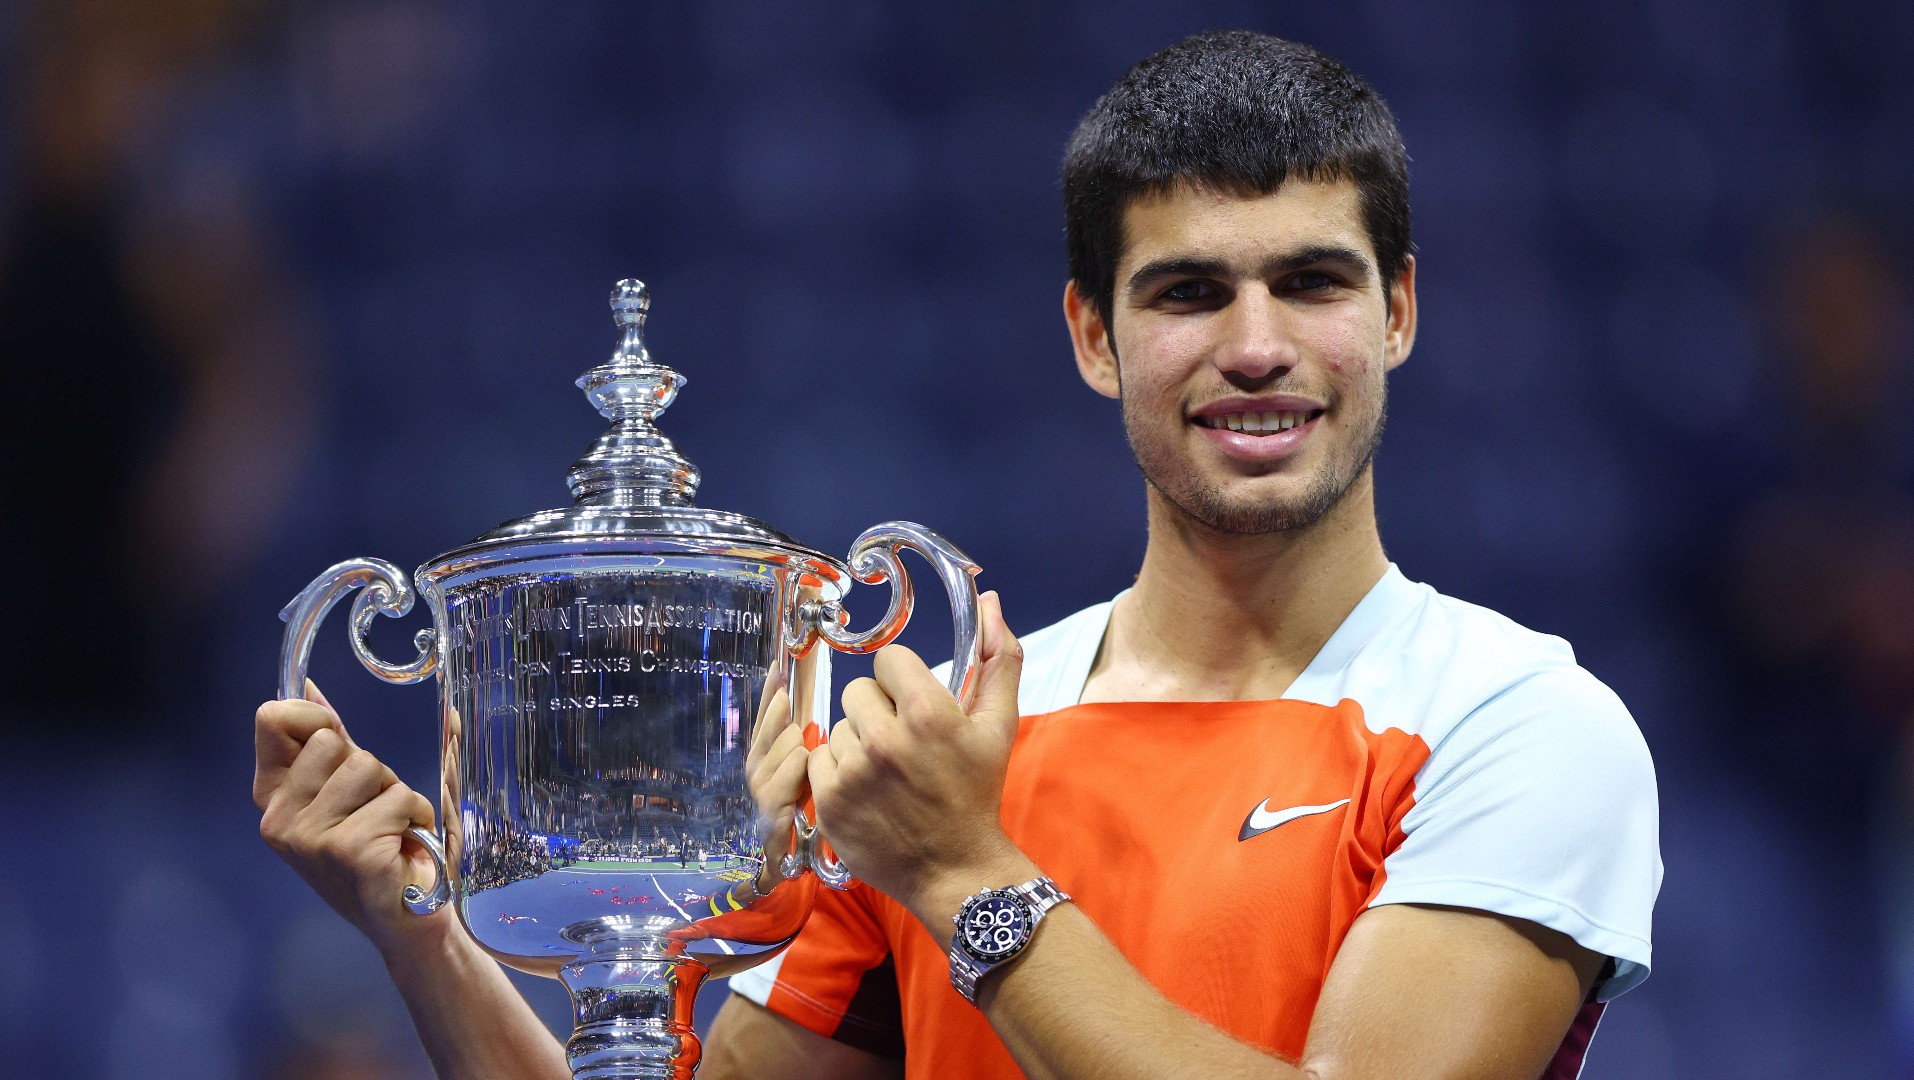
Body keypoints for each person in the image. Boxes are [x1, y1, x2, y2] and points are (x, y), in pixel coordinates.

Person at [253, 31, 1659, 1080]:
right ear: (1092, 337)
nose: (1254, 346)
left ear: (1399, 310)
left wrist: (966, 878)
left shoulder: (1520, 726)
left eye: (1311, 280)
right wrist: (421, 930)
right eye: (1187, 292)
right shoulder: (950, 756)